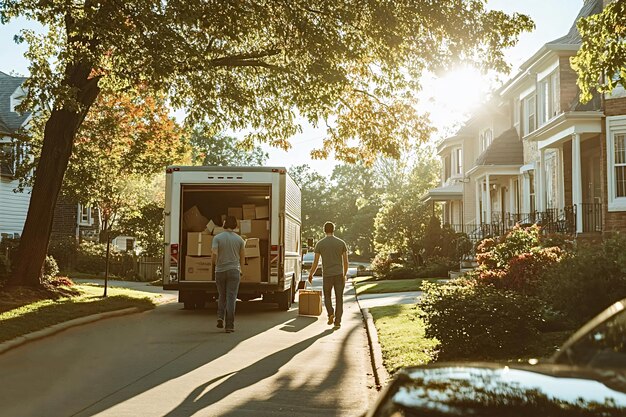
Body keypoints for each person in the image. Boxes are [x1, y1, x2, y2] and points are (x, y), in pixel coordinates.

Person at [308, 221, 348, 329]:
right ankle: (338, 321)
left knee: (327, 296)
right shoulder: (341, 243)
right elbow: (345, 262)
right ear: (333, 229)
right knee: (339, 298)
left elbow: (315, 262)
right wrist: (344, 274)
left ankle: (330, 313)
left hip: (327, 275)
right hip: (339, 274)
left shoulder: (320, 244)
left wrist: (311, 274)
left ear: (324, 230)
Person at [212, 215, 245, 333]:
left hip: (220, 271)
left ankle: (220, 317)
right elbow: (242, 257)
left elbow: (214, 254)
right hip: (234, 270)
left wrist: (216, 265)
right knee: (231, 297)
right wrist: (240, 269)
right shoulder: (240, 240)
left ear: (224, 224)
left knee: (222, 295)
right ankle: (229, 325)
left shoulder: (217, 238)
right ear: (235, 225)